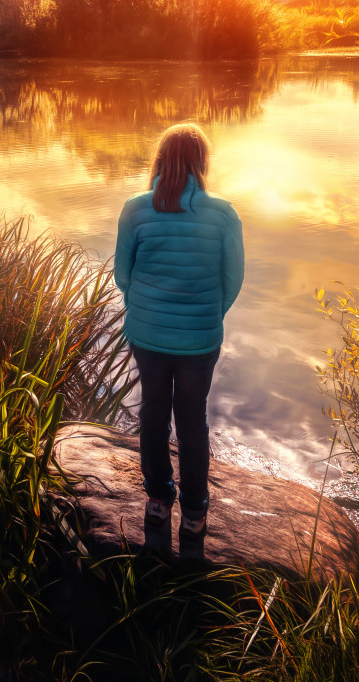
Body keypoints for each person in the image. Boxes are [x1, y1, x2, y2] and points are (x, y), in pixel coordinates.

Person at [112, 122, 245, 536]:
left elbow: (122, 274)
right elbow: (233, 278)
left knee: (153, 412)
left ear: (160, 160)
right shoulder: (223, 214)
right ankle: (194, 512)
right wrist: (208, 315)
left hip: (148, 335)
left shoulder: (136, 208)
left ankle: (157, 500)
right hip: (199, 339)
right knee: (192, 421)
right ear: (201, 163)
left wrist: (144, 310)